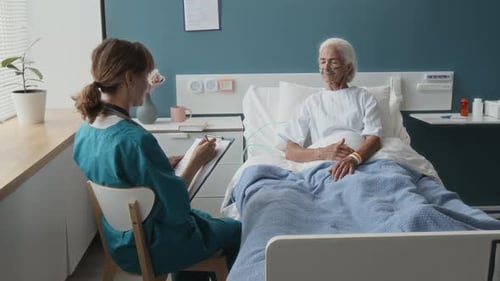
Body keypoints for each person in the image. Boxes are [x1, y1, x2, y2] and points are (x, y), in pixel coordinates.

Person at [72, 38, 241, 281]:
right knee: (237, 229)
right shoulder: (135, 140)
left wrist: (161, 166)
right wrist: (195, 161)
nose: (148, 85)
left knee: (205, 222)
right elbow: (178, 209)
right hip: (155, 245)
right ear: (130, 78)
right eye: (146, 77)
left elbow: (122, 179)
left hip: (119, 242)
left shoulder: (87, 131)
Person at [279, 37, 382, 181]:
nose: (326, 67)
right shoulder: (311, 102)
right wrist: (324, 153)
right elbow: (290, 151)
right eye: (322, 61)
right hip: (324, 167)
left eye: (333, 61)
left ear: (348, 67)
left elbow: (374, 139)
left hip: (359, 164)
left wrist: (354, 158)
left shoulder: (363, 97)